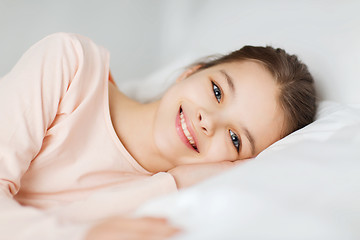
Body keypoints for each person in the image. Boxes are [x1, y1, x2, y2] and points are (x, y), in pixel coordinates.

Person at [0, 33, 316, 240]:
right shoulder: (71, 66)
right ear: (191, 72)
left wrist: (173, 184)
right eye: (217, 91)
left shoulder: (168, 199)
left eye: (235, 139)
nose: (209, 121)